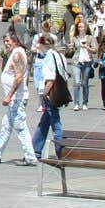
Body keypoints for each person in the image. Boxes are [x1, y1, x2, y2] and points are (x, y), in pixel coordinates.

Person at [0, 31, 37, 165]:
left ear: (16, 41)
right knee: (6, 126)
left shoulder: (18, 54)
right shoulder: (16, 53)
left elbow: (19, 77)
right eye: (5, 41)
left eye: (8, 41)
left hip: (16, 99)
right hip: (16, 98)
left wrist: (10, 95)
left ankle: (30, 157)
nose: (6, 44)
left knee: (20, 127)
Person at [31, 32, 71, 160]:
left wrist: (44, 94)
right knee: (44, 122)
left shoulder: (48, 57)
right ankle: (35, 151)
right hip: (59, 93)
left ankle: (61, 151)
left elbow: (51, 79)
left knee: (55, 123)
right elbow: (65, 75)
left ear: (42, 45)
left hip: (51, 94)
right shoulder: (59, 55)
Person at [70, 20, 95, 112]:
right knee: (77, 83)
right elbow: (72, 49)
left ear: (86, 28)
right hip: (76, 62)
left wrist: (87, 47)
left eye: (82, 27)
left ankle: (85, 103)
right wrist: (70, 48)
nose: (80, 28)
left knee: (85, 83)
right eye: (79, 27)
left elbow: (95, 49)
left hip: (87, 62)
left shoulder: (90, 38)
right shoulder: (75, 38)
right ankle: (76, 103)